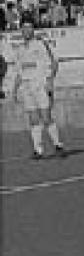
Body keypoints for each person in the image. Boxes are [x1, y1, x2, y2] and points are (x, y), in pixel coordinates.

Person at [6, 17, 67, 159]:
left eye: (29, 27)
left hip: (40, 85)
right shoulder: (20, 49)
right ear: (21, 30)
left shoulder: (41, 44)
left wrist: (50, 80)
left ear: (33, 29)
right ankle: (38, 150)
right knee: (33, 119)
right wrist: (14, 89)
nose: (27, 30)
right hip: (27, 88)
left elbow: (54, 62)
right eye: (24, 28)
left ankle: (58, 145)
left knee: (46, 117)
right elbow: (19, 71)